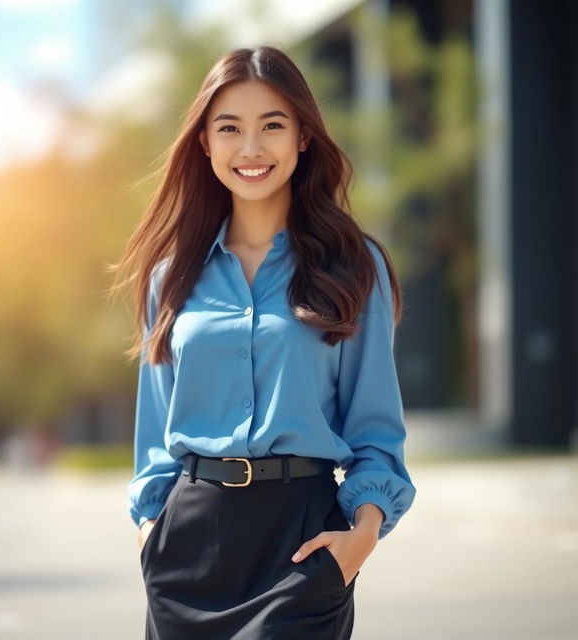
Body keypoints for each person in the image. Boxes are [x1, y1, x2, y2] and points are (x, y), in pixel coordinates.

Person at [114, 45, 417, 640]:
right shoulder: (170, 276)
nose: (250, 149)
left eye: (272, 126)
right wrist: (153, 535)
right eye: (229, 129)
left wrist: (360, 538)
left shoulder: (356, 267)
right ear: (204, 142)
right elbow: (155, 439)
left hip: (302, 545)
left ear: (303, 136)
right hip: (188, 551)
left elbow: (375, 429)